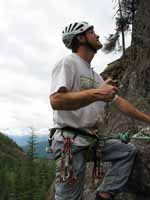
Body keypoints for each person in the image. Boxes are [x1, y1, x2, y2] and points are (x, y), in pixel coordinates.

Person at [49, 21, 150, 200]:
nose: (97, 35)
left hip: (90, 140)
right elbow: (56, 100)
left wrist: (148, 119)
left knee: (127, 152)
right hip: (70, 142)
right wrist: (97, 92)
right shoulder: (68, 63)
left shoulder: (95, 76)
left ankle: (103, 195)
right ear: (80, 38)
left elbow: (120, 103)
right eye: (92, 32)